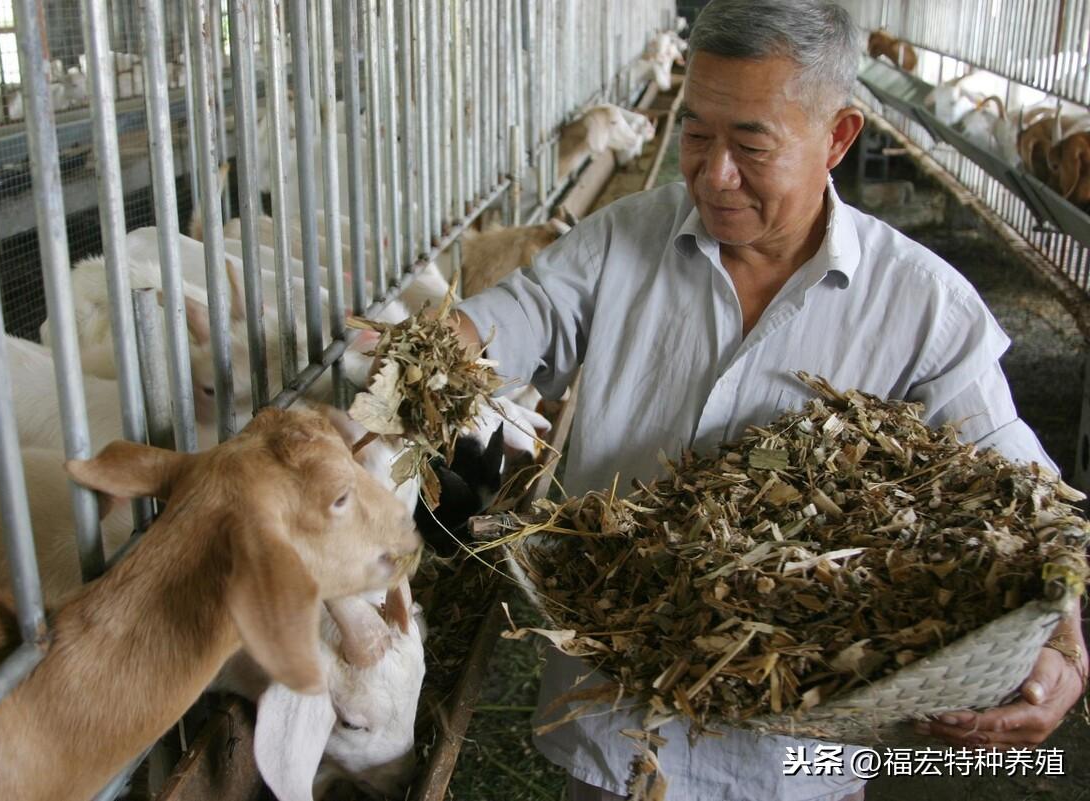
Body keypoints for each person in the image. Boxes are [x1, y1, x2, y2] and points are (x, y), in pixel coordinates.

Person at [444, 0, 1089, 797]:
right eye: (696, 133)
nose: (714, 173)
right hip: (618, 725)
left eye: (751, 143)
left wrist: (1062, 641)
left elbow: (1025, 494)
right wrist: (450, 340)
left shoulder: (924, 307)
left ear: (838, 137)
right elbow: (530, 312)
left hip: (796, 754)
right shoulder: (621, 240)